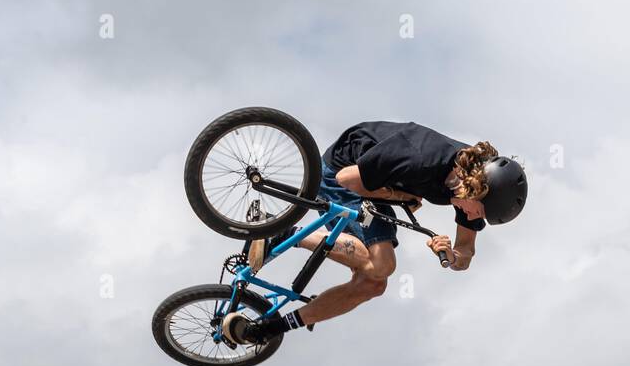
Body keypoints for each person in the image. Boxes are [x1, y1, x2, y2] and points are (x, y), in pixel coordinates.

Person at [222, 120, 527, 347]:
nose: (473, 218)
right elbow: (347, 179)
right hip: (342, 172)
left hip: (378, 187)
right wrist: (400, 198)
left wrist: (451, 255)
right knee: (383, 266)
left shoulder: (467, 192)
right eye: (479, 211)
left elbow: (466, 255)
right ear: (475, 188)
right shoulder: (420, 157)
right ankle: (281, 230)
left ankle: (273, 326)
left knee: (372, 285)